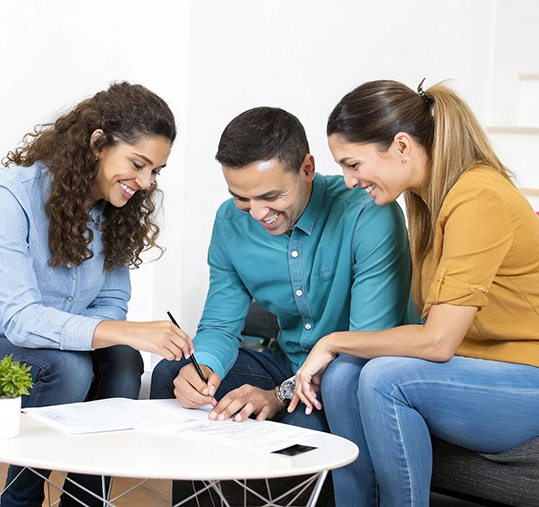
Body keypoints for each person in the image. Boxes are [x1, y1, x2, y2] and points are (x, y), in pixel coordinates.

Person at [294, 79, 539, 507]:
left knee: (383, 378)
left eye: (354, 164)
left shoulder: (478, 196)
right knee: (342, 377)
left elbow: (437, 340)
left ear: (401, 146)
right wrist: (342, 353)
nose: (350, 180)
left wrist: (332, 339)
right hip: (495, 368)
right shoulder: (425, 202)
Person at [0, 82, 194, 507]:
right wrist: (131, 330)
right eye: (138, 164)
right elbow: (22, 321)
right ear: (98, 143)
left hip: (44, 358)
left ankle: (84, 502)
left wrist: (127, 337)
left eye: (156, 171)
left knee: (122, 359)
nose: (146, 182)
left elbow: (109, 305)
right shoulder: (10, 197)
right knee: (69, 369)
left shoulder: (115, 213)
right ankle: (19, 502)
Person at [150, 106, 413, 434]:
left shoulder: (367, 214)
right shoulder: (230, 224)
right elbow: (220, 324)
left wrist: (276, 395)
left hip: (347, 374)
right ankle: (194, 483)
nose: (258, 213)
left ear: (307, 168)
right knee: (169, 375)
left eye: (270, 196)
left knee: (300, 421)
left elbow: (366, 344)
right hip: (286, 363)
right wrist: (203, 367)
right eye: (241, 198)